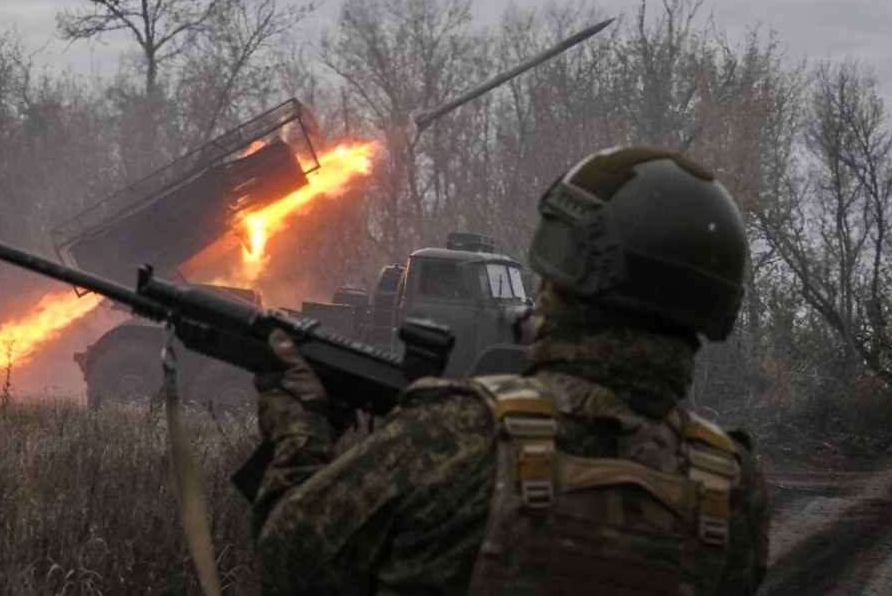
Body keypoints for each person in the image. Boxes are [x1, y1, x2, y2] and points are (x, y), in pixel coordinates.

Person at [250, 146, 769, 595]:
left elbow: (288, 560)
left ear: (565, 280)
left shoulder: (455, 439)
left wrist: (301, 426)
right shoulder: (730, 490)